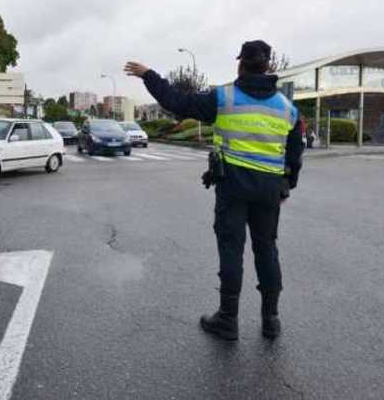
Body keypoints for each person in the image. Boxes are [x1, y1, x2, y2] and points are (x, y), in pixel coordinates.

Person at [124, 40, 304, 340]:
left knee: (231, 249)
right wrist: (286, 187)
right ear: (269, 66)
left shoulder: (224, 98)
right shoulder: (288, 109)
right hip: (268, 191)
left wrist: (148, 75)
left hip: (232, 186)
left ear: (241, 63)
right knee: (267, 250)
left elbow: (177, 101)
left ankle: (228, 320)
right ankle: (271, 320)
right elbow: (295, 156)